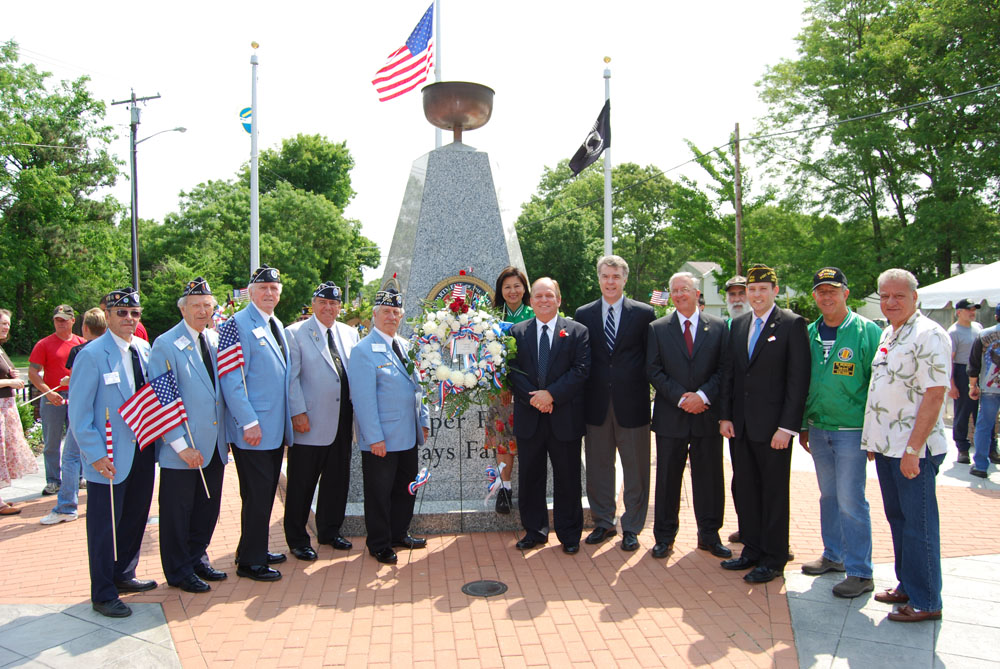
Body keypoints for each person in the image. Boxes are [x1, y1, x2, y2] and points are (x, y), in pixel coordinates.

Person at [861, 268, 949, 623]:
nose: (891, 302)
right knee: (898, 519)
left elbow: (934, 394)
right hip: (887, 446)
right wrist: (873, 439)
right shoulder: (890, 332)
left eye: (899, 296)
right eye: (884, 296)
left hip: (914, 450)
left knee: (919, 524)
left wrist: (913, 450)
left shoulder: (929, 335)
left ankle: (927, 600)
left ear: (916, 297)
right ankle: (908, 584)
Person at [69, 288, 158, 618]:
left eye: (135, 313)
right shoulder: (91, 355)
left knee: (135, 517)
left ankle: (124, 573)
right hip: (108, 455)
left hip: (143, 449)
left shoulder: (144, 350)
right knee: (105, 526)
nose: (129, 319)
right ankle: (103, 592)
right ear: (106, 315)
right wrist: (94, 455)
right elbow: (78, 414)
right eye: (122, 313)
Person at [719, 264, 810, 584]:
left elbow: (797, 381)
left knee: (772, 493)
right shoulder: (739, 324)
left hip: (773, 430)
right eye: (750, 290)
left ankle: (773, 558)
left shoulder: (791, 324)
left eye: (762, 289)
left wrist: (787, 428)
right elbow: (730, 373)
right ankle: (752, 550)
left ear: (775, 290)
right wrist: (726, 416)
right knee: (745, 489)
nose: (755, 295)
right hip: (741, 427)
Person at [798, 268, 881, 598]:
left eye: (833, 290)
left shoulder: (867, 331)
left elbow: (879, 384)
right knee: (829, 496)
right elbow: (802, 381)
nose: (827, 296)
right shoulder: (809, 332)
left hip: (852, 431)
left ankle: (861, 571)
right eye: (821, 291)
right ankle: (834, 555)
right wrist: (804, 423)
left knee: (851, 499)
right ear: (814, 296)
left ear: (846, 293)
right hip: (819, 429)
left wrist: (873, 432)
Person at [148, 278, 229, 593]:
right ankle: (179, 571)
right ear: (182, 308)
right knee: (177, 513)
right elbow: (162, 399)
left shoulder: (214, 339)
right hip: (184, 448)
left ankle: (197, 558)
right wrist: (181, 446)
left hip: (215, 446)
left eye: (208, 305)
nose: (203, 310)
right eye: (196, 305)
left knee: (206, 509)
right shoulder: (166, 343)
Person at [646, 272, 730, 559]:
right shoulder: (658, 328)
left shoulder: (718, 327)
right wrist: (682, 398)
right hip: (672, 416)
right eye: (675, 291)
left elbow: (724, 369)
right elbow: (653, 370)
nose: (680, 294)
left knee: (709, 479)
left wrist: (703, 397)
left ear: (697, 293)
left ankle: (709, 535)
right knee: (668, 480)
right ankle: (664, 537)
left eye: (685, 289)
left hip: (706, 415)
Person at [574, 256, 654, 551]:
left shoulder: (644, 314)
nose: (610, 281)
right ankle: (603, 522)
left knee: (635, 468)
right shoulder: (584, 314)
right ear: (599, 279)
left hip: (632, 404)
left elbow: (650, 358)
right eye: (605, 276)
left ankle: (632, 526)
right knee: (598, 466)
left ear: (624, 280)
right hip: (595, 404)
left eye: (616, 277)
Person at [220, 265, 294, 582]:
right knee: (259, 495)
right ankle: (250, 562)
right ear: (250, 292)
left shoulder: (274, 323)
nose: (268, 293)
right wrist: (248, 421)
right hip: (254, 430)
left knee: (259, 495)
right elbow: (231, 379)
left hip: (273, 429)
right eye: (262, 288)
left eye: (273, 289)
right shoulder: (235, 325)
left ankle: (253, 549)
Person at [348, 288, 430, 565]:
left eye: (396, 312)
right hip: (381, 439)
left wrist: (424, 420)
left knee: (406, 488)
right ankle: (379, 542)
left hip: (408, 435)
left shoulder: (406, 346)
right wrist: (374, 438)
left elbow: (419, 387)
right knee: (379, 493)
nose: (391, 316)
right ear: (374, 315)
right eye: (386, 311)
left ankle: (399, 533)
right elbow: (363, 400)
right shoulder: (362, 351)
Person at [509, 278, 590, 554]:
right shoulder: (517, 332)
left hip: (563, 417)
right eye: (538, 296)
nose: (544, 300)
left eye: (549, 295)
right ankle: (535, 531)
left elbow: (580, 371)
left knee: (567, 478)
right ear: (530, 301)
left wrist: (551, 395)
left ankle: (569, 535)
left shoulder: (577, 331)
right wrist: (536, 399)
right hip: (530, 417)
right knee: (531, 478)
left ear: (558, 299)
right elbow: (511, 372)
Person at [284, 281, 358, 560]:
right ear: (314, 304)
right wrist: (297, 412)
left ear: (340, 307)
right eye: (323, 303)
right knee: (302, 482)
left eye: (334, 304)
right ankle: (297, 537)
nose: (329, 308)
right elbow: (291, 378)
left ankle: (330, 530)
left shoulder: (350, 334)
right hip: (309, 422)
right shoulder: (295, 333)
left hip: (342, 419)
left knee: (336, 480)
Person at [40, 307, 106, 525]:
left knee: (70, 456)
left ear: (84, 327)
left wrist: (69, 381)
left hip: (85, 414)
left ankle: (67, 505)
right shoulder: (111, 349)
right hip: (106, 415)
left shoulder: (80, 351)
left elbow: (80, 383)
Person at [485, 266, 533, 514]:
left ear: (524, 288)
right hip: (501, 391)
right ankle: (504, 489)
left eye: (517, 286)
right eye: (507, 287)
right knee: (503, 441)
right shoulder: (491, 319)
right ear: (500, 291)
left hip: (531, 391)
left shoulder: (535, 314)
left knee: (531, 440)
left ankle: (530, 490)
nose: (512, 291)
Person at [29, 304, 85, 495]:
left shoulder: (81, 343)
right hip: (52, 397)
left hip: (76, 395)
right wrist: (48, 393)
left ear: (73, 321)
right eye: (57, 320)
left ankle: (78, 477)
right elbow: (33, 373)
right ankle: (53, 480)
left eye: (64, 319)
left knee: (79, 437)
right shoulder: (43, 344)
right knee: (51, 441)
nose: (60, 323)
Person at [0, 309, 38, 516]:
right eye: (3, 323)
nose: (6, 327)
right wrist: (10, 381)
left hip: (6, 408)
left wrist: (10, 373)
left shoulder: (1, 349)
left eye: (8, 324)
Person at [723, 274, 749, 545]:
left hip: (765, 419)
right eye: (733, 295)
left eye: (743, 293)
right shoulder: (725, 327)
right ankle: (747, 526)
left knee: (768, 480)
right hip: (735, 419)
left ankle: (773, 536)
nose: (738, 299)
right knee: (740, 477)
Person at [948, 298, 983, 464]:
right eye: (969, 309)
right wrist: (952, 384)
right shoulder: (953, 332)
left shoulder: (978, 328)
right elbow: (949, 360)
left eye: (974, 309)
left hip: (979, 371)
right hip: (962, 371)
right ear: (959, 312)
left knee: (981, 412)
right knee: (962, 412)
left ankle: (987, 447)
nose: (972, 312)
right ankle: (962, 448)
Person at [968, 305, 1000, 478]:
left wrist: (973, 385)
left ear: (996, 316)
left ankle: (980, 466)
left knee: (984, 426)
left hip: (990, 387)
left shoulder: (983, 334)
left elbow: (974, 363)